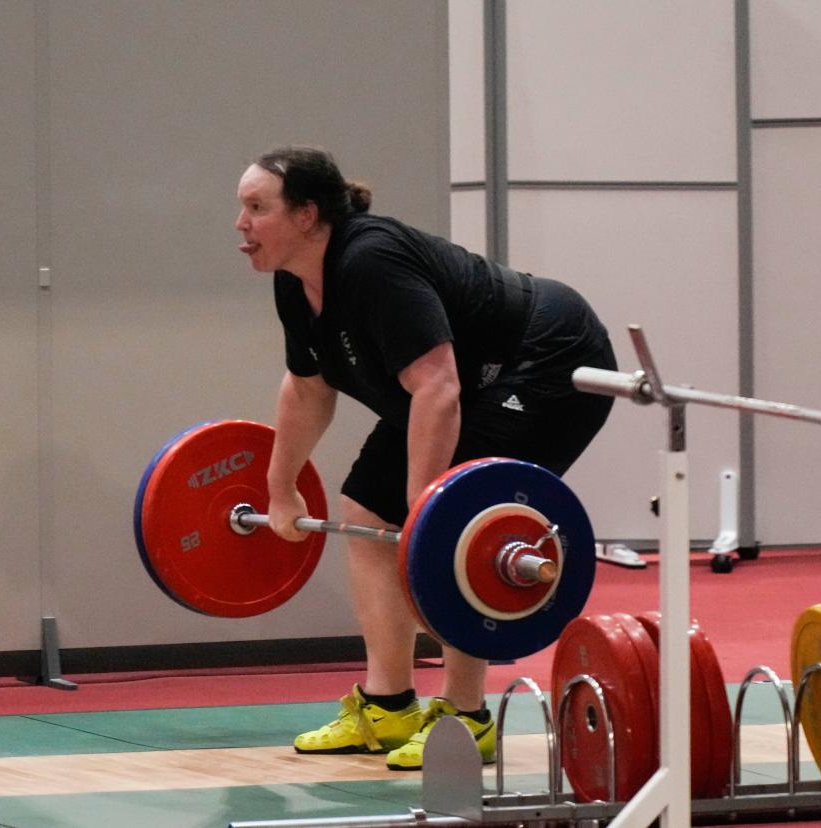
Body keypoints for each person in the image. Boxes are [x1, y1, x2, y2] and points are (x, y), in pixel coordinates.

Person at [234, 146, 616, 771]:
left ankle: (466, 718)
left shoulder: (371, 261)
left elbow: (437, 387)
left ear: (306, 215)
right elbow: (308, 385)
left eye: (256, 208)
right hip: (466, 379)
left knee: (460, 525)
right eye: (242, 208)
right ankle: (387, 706)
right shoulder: (295, 282)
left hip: (548, 356)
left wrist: (426, 509)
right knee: (367, 507)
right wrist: (281, 486)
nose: (241, 224)